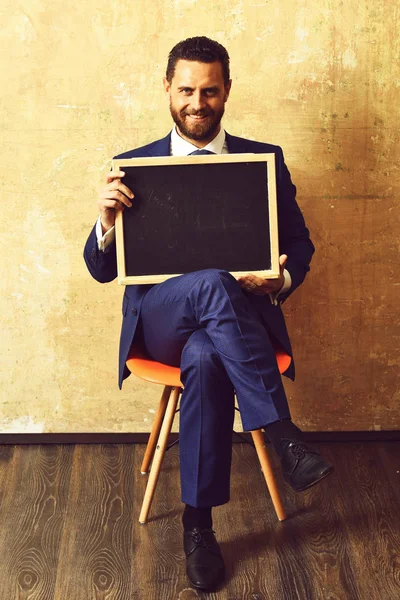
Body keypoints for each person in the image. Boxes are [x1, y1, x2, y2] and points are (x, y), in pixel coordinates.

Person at [84, 36, 333, 591]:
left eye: (210, 91)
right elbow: (100, 270)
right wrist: (104, 221)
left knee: (206, 355)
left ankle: (198, 528)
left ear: (227, 92)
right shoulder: (135, 166)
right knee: (209, 289)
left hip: (226, 333)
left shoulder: (263, 161)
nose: (198, 102)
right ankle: (282, 431)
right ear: (168, 89)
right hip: (160, 322)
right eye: (187, 90)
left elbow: (301, 246)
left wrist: (281, 277)